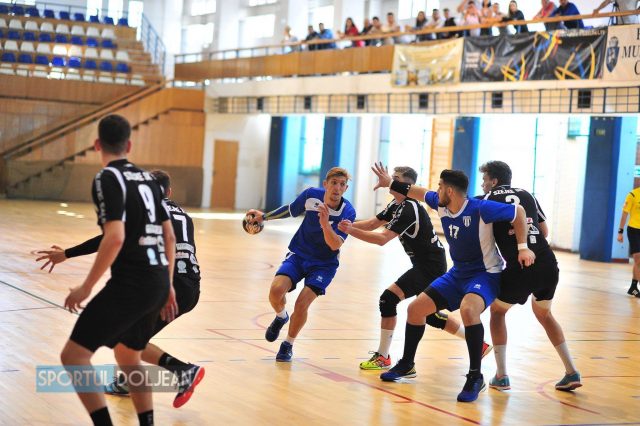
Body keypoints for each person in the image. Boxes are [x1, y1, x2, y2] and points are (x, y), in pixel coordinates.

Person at [37, 170, 205, 408]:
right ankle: (128, 381)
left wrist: (66, 254)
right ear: (169, 191)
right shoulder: (184, 215)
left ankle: (183, 371)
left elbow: (109, 238)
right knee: (130, 337)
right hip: (192, 287)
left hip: (168, 285)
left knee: (125, 339)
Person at [372, 164, 535, 403]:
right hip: (457, 274)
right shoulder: (441, 203)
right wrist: (390, 183)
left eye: (439, 186)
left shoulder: (480, 208)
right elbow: (418, 191)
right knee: (415, 310)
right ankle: (407, 364)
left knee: (469, 310)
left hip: (485, 275)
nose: (436, 190)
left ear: (449, 190)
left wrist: (523, 247)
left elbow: (518, 212)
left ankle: (475, 376)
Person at [58, 114, 177, 426]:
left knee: (73, 356)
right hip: (157, 281)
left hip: (132, 284)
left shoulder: (107, 178)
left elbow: (115, 237)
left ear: (97, 144)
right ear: (129, 145)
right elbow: (169, 237)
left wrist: (86, 287)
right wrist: (168, 285)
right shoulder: (149, 180)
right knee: (128, 356)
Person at [337, 167, 492, 370]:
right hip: (424, 264)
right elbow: (373, 223)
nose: (391, 182)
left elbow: (382, 239)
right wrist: (346, 225)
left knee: (388, 299)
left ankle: (383, 356)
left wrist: (350, 231)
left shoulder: (409, 208)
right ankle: (479, 344)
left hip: (430, 266)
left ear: (407, 185)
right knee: (431, 316)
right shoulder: (396, 204)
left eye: (396, 179)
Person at [478, 161, 581, 392]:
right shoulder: (528, 194)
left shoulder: (488, 199)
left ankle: (501, 375)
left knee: (497, 312)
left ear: (494, 181)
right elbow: (544, 231)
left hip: (521, 266)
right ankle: (571, 371)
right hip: (548, 263)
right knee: (544, 314)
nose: (483, 184)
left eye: (484, 180)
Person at [246, 167, 356, 362]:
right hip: (299, 254)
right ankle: (281, 316)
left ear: (346, 188)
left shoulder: (348, 212)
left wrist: (325, 224)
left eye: (342, 185)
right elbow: (290, 210)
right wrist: (264, 217)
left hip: (324, 264)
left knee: (302, 303)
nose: (337, 188)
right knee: (276, 291)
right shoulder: (311, 195)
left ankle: (288, 344)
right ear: (325, 184)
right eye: (334, 183)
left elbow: (335, 245)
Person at [617, 184, 640, 298]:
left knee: (638, 261)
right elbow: (624, 214)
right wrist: (620, 232)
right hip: (634, 230)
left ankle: (633, 287)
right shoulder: (633, 195)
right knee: (638, 258)